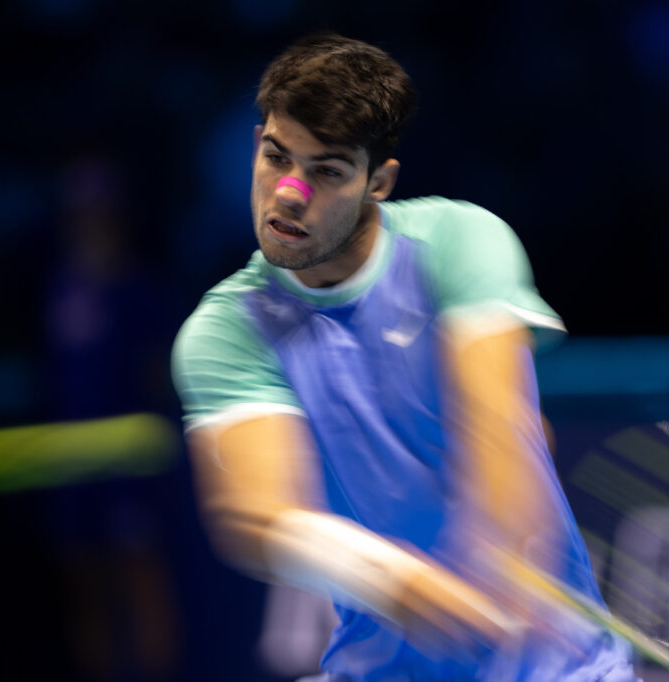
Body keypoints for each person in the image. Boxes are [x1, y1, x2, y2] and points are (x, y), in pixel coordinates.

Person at [172, 34, 637, 681]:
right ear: (256, 144)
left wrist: (500, 545)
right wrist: (402, 585)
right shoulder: (226, 329)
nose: (288, 194)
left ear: (378, 182)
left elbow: (495, 424)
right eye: (277, 157)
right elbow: (256, 514)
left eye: (326, 171)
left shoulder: (459, 241)